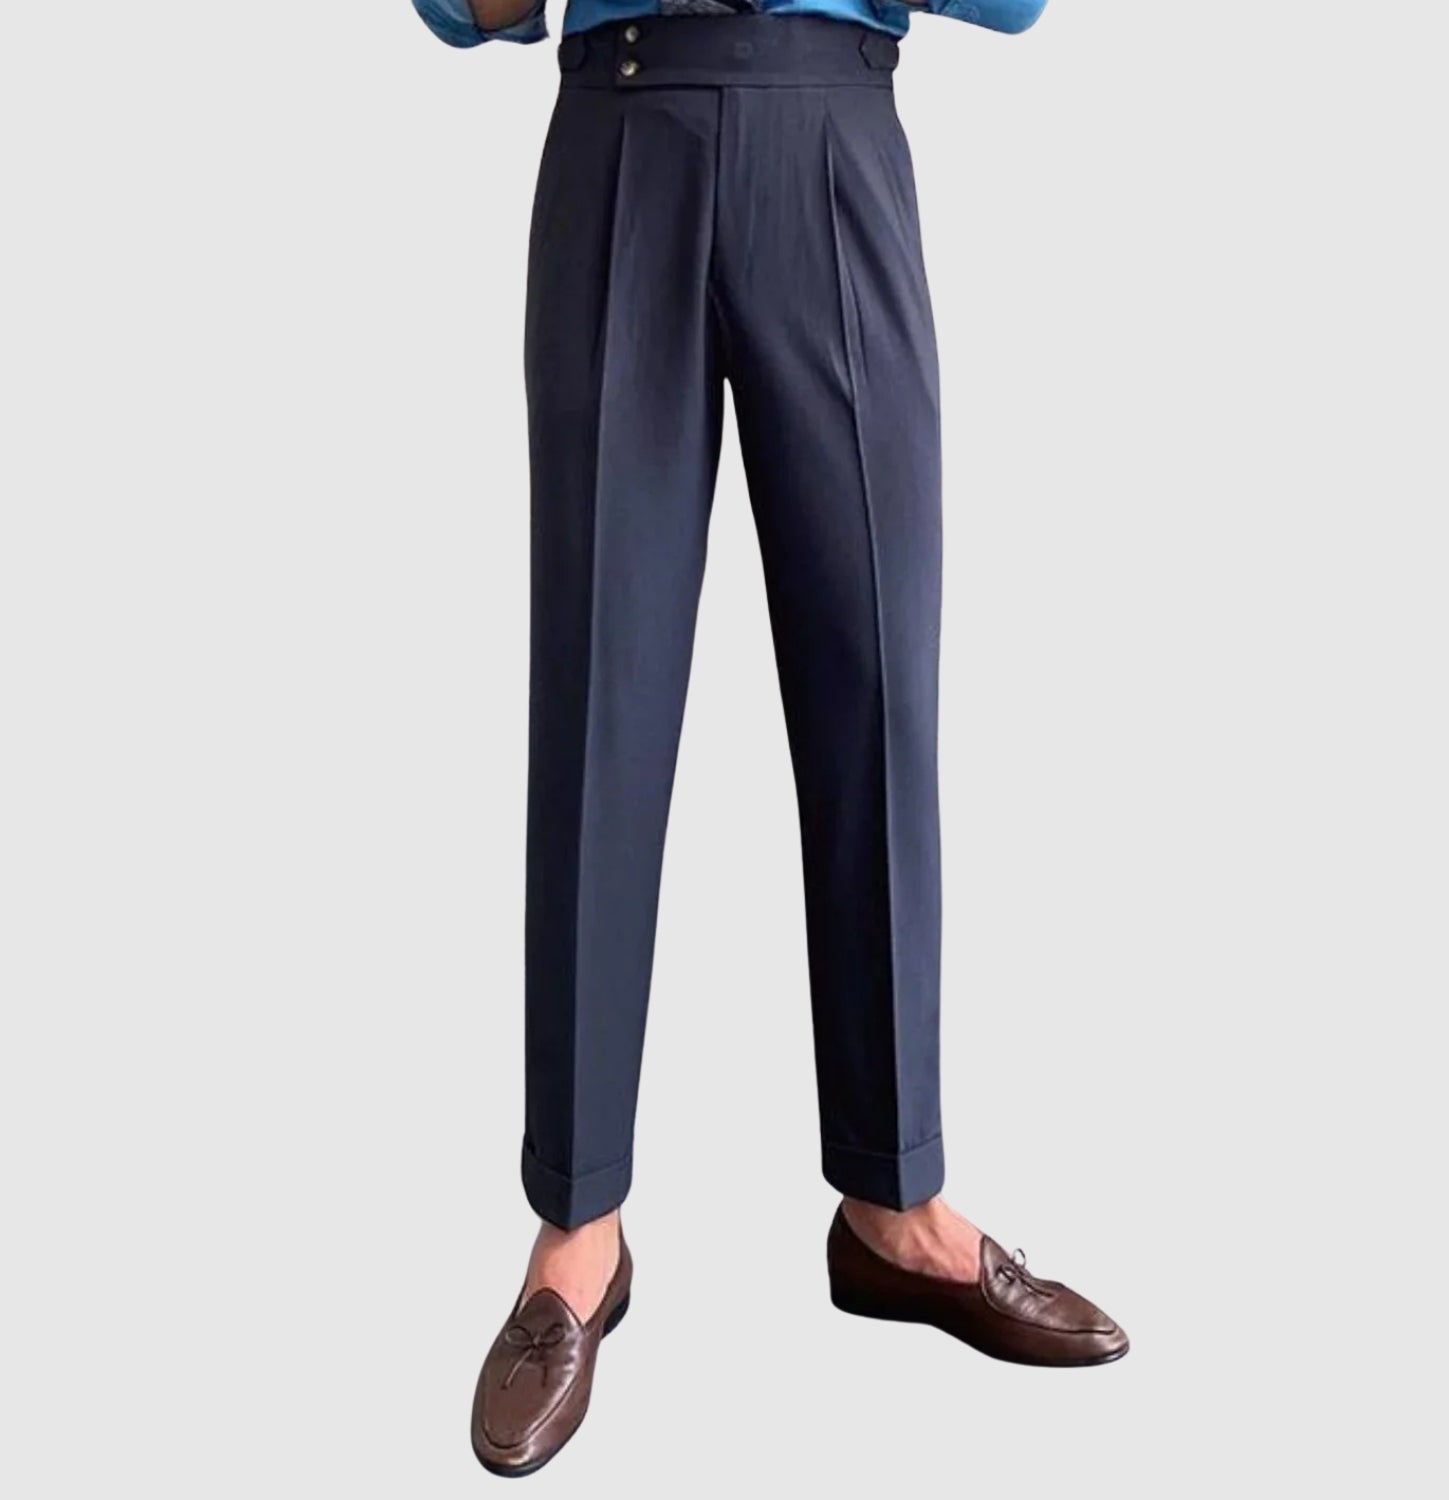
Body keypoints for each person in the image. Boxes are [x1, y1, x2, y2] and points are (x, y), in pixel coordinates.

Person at [412, 0, 1127, 1477]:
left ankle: (896, 1202)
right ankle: (578, 1230)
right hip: (623, 130)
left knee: (877, 681)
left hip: (834, 131)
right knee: (601, 699)